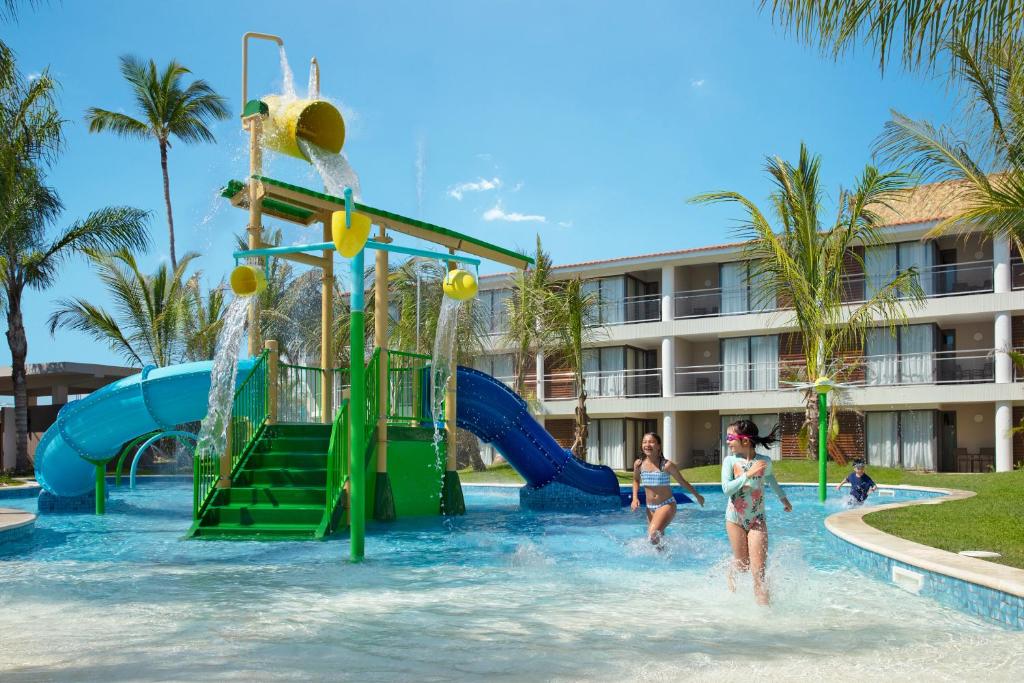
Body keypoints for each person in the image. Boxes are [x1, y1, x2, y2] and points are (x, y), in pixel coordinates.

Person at [721, 419, 792, 605]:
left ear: (745, 440)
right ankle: (731, 572)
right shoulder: (730, 461)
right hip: (735, 519)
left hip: (757, 518)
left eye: (730, 437)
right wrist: (748, 474)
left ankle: (764, 611)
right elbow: (726, 489)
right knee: (743, 565)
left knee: (758, 571)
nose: (727, 441)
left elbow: (771, 479)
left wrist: (783, 498)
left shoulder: (764, 461)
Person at [631, 432, 705, 545]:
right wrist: (634, 498)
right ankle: (668, 555)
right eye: (644, 442)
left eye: (651, 442)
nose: (647, 445)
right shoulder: (639, 464)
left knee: (652, 535)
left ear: (658, 446)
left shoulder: (666, 465)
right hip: (650, 508)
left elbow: (682, 482)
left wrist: (697, 496)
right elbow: (636, 480)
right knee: (657, 542)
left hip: (666, 504)